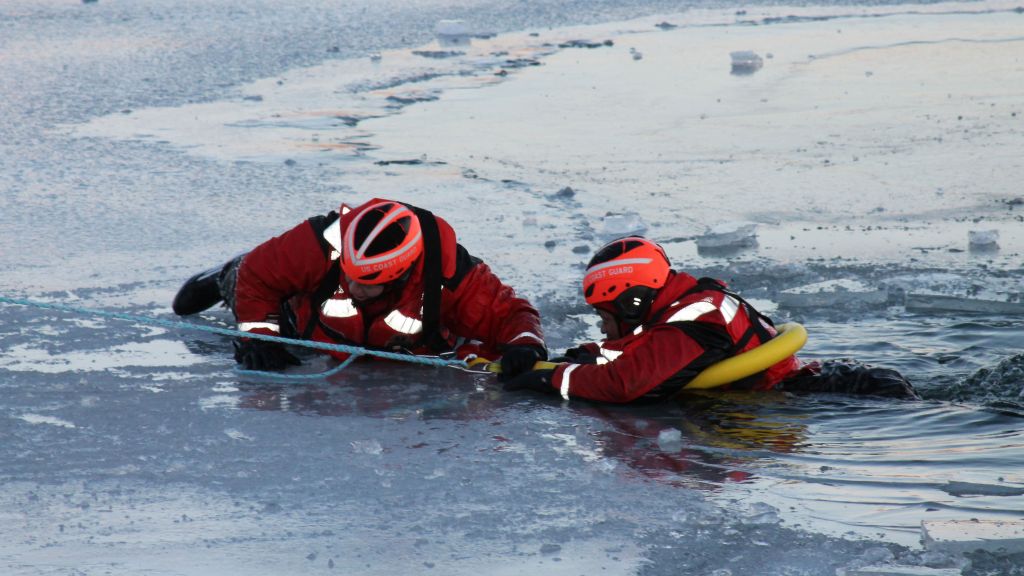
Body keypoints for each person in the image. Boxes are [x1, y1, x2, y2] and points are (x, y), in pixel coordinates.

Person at [502, 236, 918, 403]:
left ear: (631, 302)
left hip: (845, 398)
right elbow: (635, 352)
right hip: (817, 387)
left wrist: (548, 380)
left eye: (603, 316)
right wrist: (566, 358)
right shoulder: (678, 310)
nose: (602, 327)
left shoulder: (697, 320)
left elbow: (628, 382)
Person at [172, 198, 546, 377]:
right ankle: (224, 273)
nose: (352, 287)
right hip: (301, 319)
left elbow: (513, 315)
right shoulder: (321, 242)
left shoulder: (447, 274)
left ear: (402, 275)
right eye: (348, 275)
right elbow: (259, 275)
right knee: (208, 293)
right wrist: (259, 337)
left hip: (393, 351)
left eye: (367, 283)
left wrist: (525, 346)